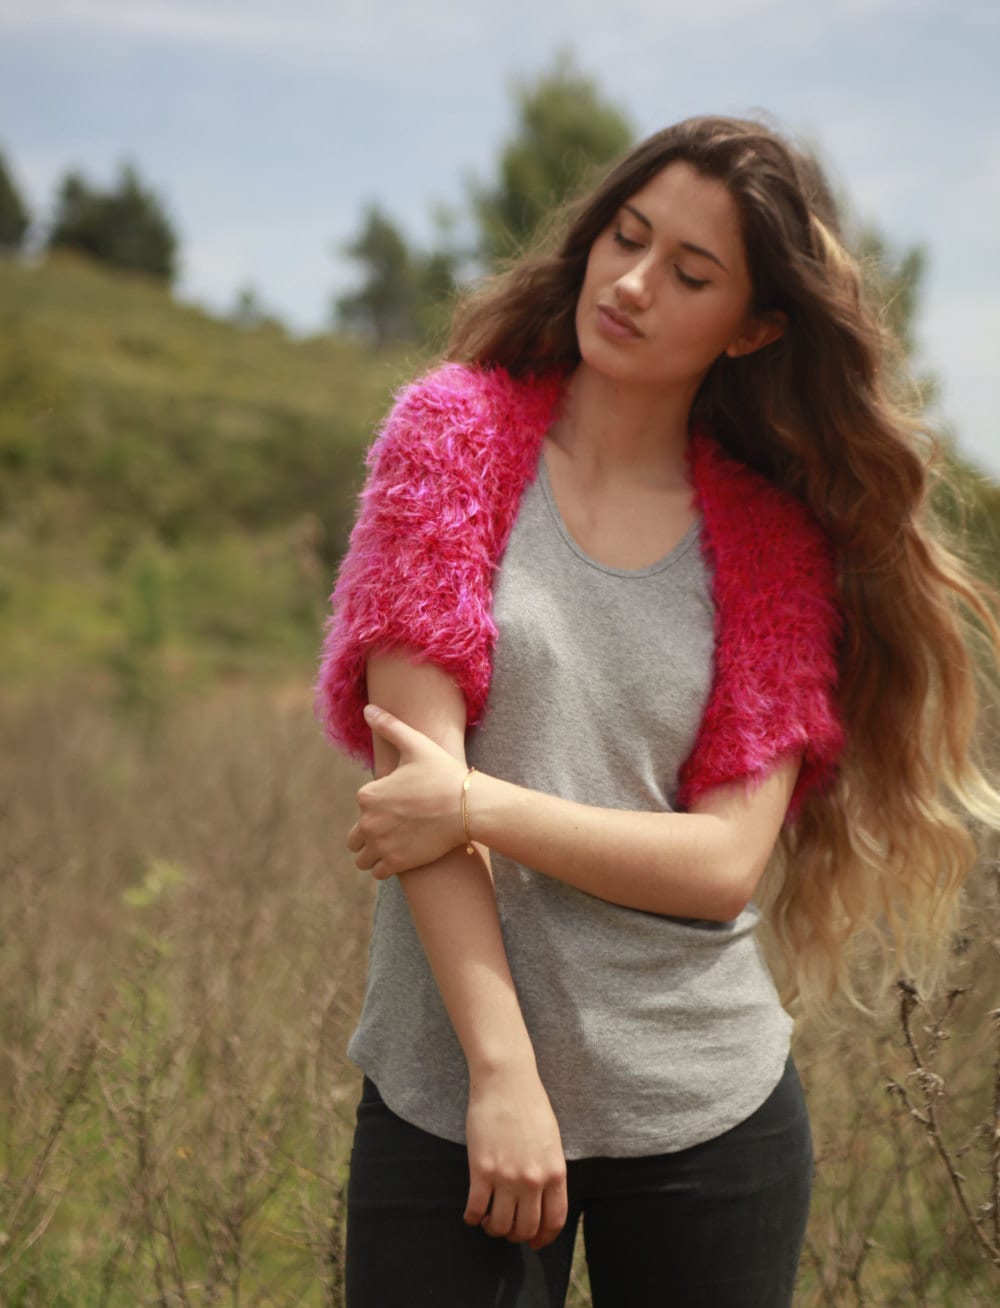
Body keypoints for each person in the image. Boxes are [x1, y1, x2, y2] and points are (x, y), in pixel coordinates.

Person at [316, 116, 1000, 1308]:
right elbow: (406, 788)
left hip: (705, 1110)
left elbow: (721, 864)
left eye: (689, 273)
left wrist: (473, 800)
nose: (631, 284)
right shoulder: (449, 442)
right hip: (453, 1087)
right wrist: (502, 1073)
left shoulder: (773, 542)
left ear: (754, 328)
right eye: (624, 238)